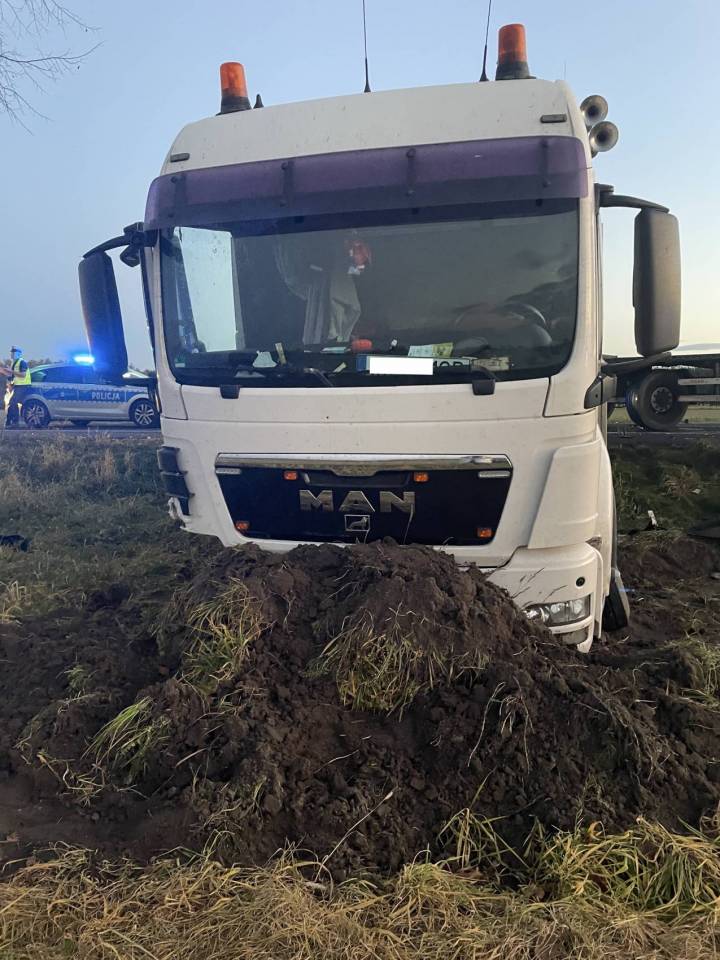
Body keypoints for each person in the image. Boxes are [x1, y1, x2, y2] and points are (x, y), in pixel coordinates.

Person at [0, 347, 31, 429]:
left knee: (12, 402)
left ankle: (13, 422)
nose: (12, 354)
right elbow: (12, 376)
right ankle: (12, 422)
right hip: (17, 386)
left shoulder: (22, 362)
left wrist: (10, 371)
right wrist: (3, 371)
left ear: (19, 354)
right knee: (13, 403)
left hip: (23, 386)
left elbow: (23, 375)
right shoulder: (14, 363)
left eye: (14, 353)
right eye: (11, 353)